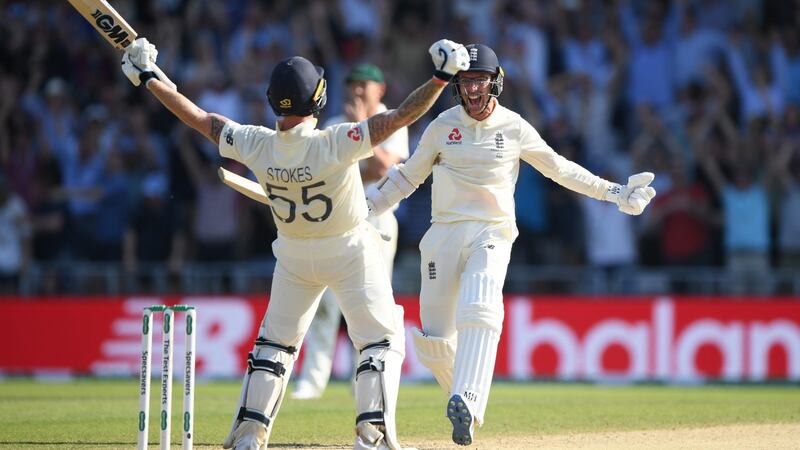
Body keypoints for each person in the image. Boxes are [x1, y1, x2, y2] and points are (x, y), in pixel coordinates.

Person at [119, 37, 469, 450]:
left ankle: (250, 436)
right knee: (379, 339)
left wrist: (149, 78)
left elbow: (198, 118)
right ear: (319, 98)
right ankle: (371, 437)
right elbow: (400, 116)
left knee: (275, 345)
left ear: (272, 101)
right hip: (349, 249)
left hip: (293, 256)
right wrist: (441, 77)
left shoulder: (254, 142)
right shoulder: (336, 141)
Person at [366, 44, 656, 446]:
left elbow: (560, 169)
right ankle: (460, 394)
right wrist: (366, 209)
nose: (472, 89)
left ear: (495, 81)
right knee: (433, 341)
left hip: (492, 230)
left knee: (480, 305)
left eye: (479, 80)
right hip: (444, 234)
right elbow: (406, 178)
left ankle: (467, 398)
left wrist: (615, 192)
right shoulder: (441, 126)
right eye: (466, 81)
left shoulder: (514, 127)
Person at [292, 63, 409, 400]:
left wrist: (359, 129)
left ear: (380, 90)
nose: (357, 92)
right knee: (326, 304)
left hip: (377, 220)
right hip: (337, 222)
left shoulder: (391, 120)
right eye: (352, 86)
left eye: (364, 86)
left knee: (373, 302)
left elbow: (381, 167)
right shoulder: (330, 124)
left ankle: (368, 377)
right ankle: (312, 381)